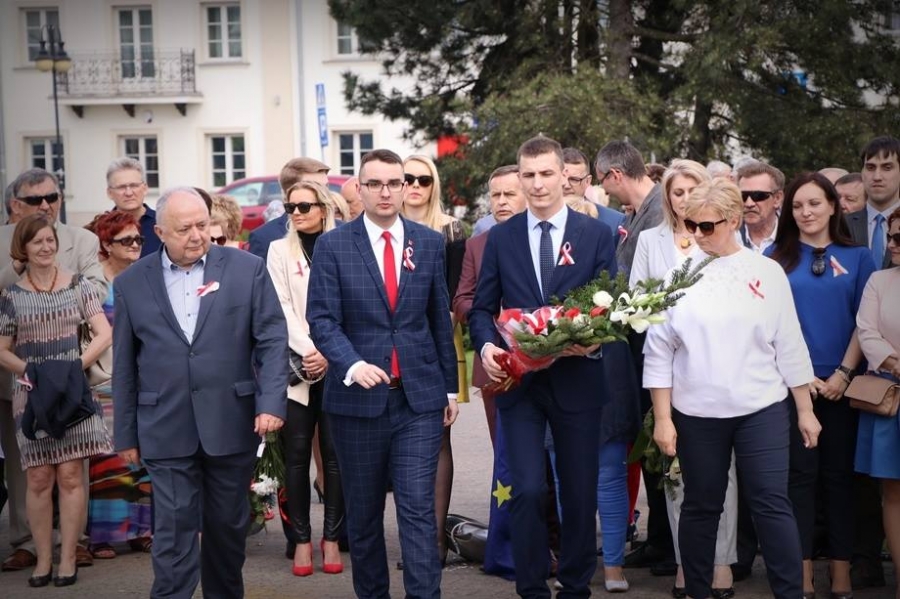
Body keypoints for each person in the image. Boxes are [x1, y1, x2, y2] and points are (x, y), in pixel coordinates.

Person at [644, 177, 821, 599]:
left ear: (734, 220)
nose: (697, 235)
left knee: (771, 504)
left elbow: (789, 342)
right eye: (691, 225)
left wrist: (805, 410)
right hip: (697, 413)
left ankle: (790, 593)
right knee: (701, 506)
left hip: (762, 408)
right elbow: (658, 352)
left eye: (707, 226)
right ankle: (698, 592)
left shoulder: (767, 272)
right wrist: (664, 419)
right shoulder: (678, 276)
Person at [112, 187, 288, 598]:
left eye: (202, 224)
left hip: (231, 420)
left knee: (227, 528)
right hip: (164, 424)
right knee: (173, 528)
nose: (197, 235)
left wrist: (270, 403)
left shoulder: (246, 269)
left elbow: (272, 340)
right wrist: (125, 433)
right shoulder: (132, 283)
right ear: (159, 232)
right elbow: (124, 364)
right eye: (184, 228)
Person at [306, 148, 458, 599]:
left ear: (405, 187)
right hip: (356, 403)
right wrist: (352, 364)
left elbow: (439, 318)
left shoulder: (428, 242)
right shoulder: (334, 245)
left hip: (418, 399)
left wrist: (450, 389)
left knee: (417, 508)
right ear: (360, 188)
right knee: (365, 514)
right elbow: (322, 320)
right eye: (375, 184)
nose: (386, 192)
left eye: (395, 182)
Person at [469, 135, 617, 598]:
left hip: (578, 380)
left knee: (579, 492)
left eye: (546, 174)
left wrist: (592, 340)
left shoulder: (596, 234)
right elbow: (481, 307)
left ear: (564, 177)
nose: (537, 184)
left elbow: (610, 304)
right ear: (520, 177)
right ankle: (531, 587)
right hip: (520, 384)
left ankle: (575, 586)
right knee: (528, 489)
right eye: (529, 175)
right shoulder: (500, 237)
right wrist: (486, 347)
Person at [766, 172, 876, 599]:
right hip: (792, 386)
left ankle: (841, 572)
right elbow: (769, 324)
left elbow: (865, 322)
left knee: (840, 479)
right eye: (797, 206)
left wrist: (843, 373)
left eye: (814, 203)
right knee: (799, 479)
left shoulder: (860, 257)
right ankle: (803, 573)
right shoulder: (775, 258)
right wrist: (800, 375)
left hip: (843, 384)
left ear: (833, 206)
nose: (806, 212)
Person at [631, 160, 738, 597]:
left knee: (722, 473)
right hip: (668, 370)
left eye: (693, 190)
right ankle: (684, 562)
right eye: (677, 192)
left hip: (720, 369)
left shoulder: (722, 239)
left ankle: (722, 563)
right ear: (667, 197)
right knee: (675, 469)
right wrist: (666, 311)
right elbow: (637, 301)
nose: (685, 199)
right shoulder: (649, 240)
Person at [0, 168, 105, 572]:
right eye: (35, 200)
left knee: (72, 474)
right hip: (27, 389)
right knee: (34, 476)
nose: (46, 205)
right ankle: (36, 552)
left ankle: (70, 553)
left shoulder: (80, 264)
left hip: (72, 386)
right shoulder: (11, 288)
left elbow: (102, 322)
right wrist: (33, 372)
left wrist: (73, 369)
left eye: (52, 197)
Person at [595, 141, 674, 577]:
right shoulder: (636, 213)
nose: (605, 192)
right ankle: (659, 538)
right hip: (637, 346)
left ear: (615, 175)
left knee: (660, 447)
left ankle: (668, 544)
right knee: (649, 449)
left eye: (603, 182)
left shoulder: (660, 210)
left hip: (655, 344)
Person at [266, 181, 345, 576]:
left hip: (338, 364)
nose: (295, 213)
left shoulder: (344, 245)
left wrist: (329, 353)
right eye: (290, 207)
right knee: (296, 457)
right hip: (297, 367)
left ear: (323, 208)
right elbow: (279, 305)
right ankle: (300, 541)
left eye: (304, 206)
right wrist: (311, 350)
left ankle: (331, 539)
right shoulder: (279, 250)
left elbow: (352, 305)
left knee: (334, 457)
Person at [402, 153, 468, 565]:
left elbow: (456, 293)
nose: (414, 186)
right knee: (401, 443)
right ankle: (414, 538)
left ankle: (436, 541)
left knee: (439, 439)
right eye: (407, 178)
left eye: (422, 180)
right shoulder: (386, 228)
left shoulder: (450, 229)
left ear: (434, 185)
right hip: (393, 349)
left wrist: (430, 337)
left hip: (440, 342)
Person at [846, 136, 900, 588]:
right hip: (871, 379)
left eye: (887, 166)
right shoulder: (844, 226)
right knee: (869, 480)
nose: (877, 174)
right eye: (870, 166)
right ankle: (866, 559)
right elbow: (863, 322)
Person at [85, 211, 154, 559]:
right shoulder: (93, 283)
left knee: (141, 459)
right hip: (105, 381)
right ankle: (103, 535)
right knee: (107, 462)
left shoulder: (145, 278)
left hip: (145, 382)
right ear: (106, 244)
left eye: (138, 239)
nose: (135, 245)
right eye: (125, 240)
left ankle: (141, 531)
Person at [453, 165, 525, 445]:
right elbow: (462, 299)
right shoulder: (476, 245)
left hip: (543, 355)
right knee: (503, 449)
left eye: (510, 194)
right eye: (496, 195)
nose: (502, 201)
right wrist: (491, 316)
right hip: (494, 358)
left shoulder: (545, 240)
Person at [855, 205, 900, 599]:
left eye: (899, 238)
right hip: (890, 397)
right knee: (892, 493)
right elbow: (866, 331)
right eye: (892, 237)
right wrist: (896, 364)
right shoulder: (879, 280)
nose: (892, 244)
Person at [248, 157, 331, 261]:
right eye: (316, 187)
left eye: (327, 186)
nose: (325, 193)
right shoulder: (265, 237)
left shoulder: (343, 231)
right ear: (292, 190)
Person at [105, 157, 161, 257]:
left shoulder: (162, 224)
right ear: (109, 193)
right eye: (121, 187)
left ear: (145, 188)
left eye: (134, 185)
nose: (129, 193)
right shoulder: (99, 230)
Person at [736, 161, 784, 254]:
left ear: (777, 198)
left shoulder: (796, 237)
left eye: (758, 195)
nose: (749, 204)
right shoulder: (728, 237)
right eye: (743, 196)